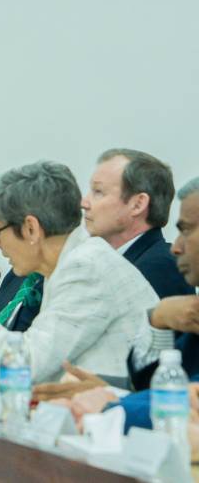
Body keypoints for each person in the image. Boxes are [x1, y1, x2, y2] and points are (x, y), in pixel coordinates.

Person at [0, 161, 172, 384]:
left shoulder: (85, 267)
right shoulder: (70, 262)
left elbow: (28, 365)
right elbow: (47, 357)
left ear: (31, 228)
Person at [52, 177, 199, 429]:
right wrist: (157, 319)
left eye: (186, 230)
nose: (175, 247)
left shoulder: (157, 265)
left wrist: (113, 405)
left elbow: (189, 402)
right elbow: (161, 383)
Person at [82, 148, 193, 298]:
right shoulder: (113, 263)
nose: (84, 203)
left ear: (138, 204)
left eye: (98, 191)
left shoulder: (159, 267)